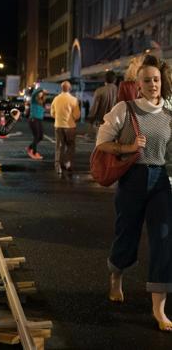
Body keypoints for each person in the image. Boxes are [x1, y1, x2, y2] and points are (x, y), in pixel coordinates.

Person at [95, 55, 172, 331]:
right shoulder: (124, 109)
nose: (153, 84)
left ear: (162, 82)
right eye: (147, 80)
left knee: (164, 240)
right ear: (138, 84)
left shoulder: (170, 111)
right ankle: (116, 274)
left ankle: (159, 309)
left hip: (162, 180)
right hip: (133, 179)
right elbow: (102, 143)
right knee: (126, 234)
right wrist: (128, 149)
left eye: (156, 80)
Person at [50, 81, 81, 174]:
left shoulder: (56, 99)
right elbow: (77, 115)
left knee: (59, 146)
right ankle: (68, 164)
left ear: (61, 88)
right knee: (70, 146)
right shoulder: (73, 100)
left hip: (58, 125)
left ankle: (58, 166)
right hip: (70, 126)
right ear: (69, 88)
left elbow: (52, 113)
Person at [25, 87, 46, 160]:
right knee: (36, 136)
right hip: (33, 119)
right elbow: (34, 93)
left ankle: (29, 148)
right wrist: (41, 89)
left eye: (42, 93)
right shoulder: (33, 100)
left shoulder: (42, 102)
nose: (41, 94)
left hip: (39, 120)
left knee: (41, 137)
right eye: (40, 93)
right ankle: (34, 153)